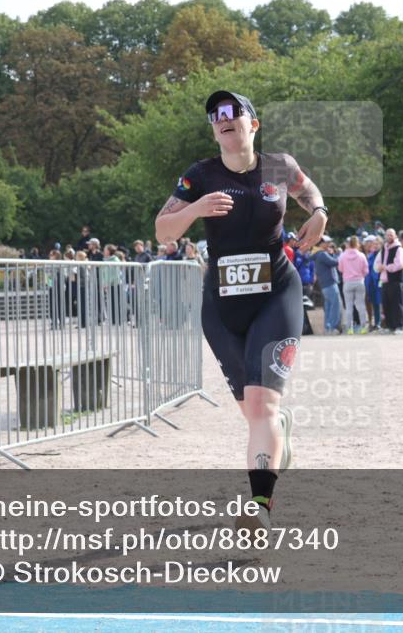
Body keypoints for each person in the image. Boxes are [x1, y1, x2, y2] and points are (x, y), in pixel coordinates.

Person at [153, 89, 327, 532]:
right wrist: (194, 210)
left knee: (261, 404)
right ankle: (277, 439)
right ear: (213, 130)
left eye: (233, 111)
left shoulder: (279, 166)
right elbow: (161, 232)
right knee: (254, 413)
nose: (223, 118)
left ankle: (259, 507)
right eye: (215, 114)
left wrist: (320, 212)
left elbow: (309, 191)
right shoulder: (199, 176)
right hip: (223, 305)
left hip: (277, 294)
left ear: (254, 124)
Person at [374, 228, 403, 334]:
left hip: (395, 280)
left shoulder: (398, 249)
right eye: (387, 235)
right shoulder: (384, 248)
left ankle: (399, 326)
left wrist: (386, 267)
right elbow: (377, 262)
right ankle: (389, 326)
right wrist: (379, 267)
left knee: (396, 304)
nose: (389, 237)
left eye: (391, 235)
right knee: (387, 305)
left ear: (395, 236)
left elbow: (400, 264)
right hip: (384, 281)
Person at [337, 235, 369, 334]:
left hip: (347, 282)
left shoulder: (342, 255)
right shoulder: (361, 255)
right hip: (359, 281)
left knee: (349, 306)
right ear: (357, 244)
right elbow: (366, 270)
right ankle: (364, 327)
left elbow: (340, 269)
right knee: (361, 305)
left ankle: (349, 328)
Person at [314, 235, 342, 334]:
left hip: (325, 285)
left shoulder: (319, 253)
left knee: (329, 306)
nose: (329, 244)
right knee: (334, 306)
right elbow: (335, 262)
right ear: (322, 243)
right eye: (327, 242)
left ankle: (328, 327)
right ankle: (333, 328)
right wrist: (336, 254)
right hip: (330, 284)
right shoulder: (322, 254)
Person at [363, 235, 382, 331]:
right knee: (374, 303)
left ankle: (381, 323)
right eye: (374, 244)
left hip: (379, 282)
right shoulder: (370, 256)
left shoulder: (382, 255)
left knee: (380, 303)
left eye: (377, 244)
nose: (375, 246)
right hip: (370, 283)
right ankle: (376, 323)